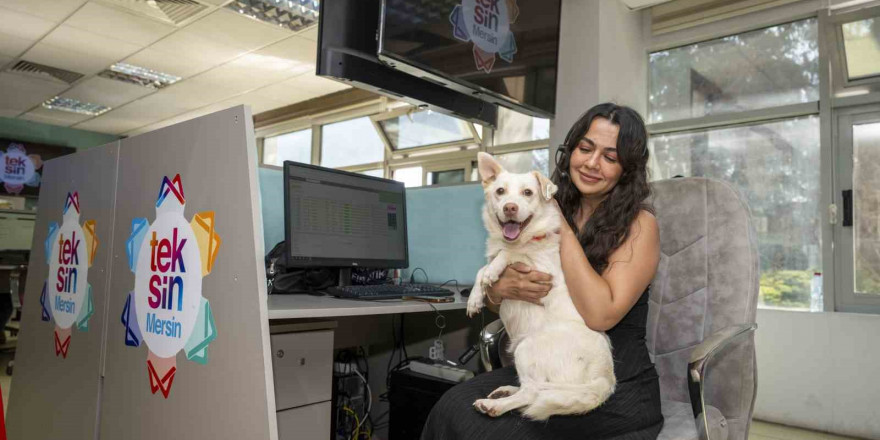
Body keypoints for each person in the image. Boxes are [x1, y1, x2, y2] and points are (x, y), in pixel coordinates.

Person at [421, 103, 663, 439]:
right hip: (549, 366)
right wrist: (499, 288)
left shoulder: (639, 224)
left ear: (627, 167)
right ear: (571, 151)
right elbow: (508, 302)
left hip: (615, 382)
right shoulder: (540, 207)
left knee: (495, 434)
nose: (592, 163)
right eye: (586, 148)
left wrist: (558, 223)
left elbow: (601, 316)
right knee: (450, 407)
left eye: (610, 156)